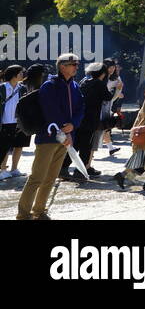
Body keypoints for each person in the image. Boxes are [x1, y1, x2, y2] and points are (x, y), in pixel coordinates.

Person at [16, 53, 83, 220]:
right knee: (37, 178)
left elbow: (81, 108)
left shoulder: (75, 86)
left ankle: (39, 211)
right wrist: (64, 129)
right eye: (73, 64)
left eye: (77, 64)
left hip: (66, 138)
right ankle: (23, 215)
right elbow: (50, 111)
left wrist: (73, 124)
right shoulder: (49, 85)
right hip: (48, 137)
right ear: (62, 66)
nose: (76, 67)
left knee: (51, 178)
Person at [63, 61, 109, 181]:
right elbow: (108, 97)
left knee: (76, 145)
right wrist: (118, 89)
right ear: (102, 73)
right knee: (86, 147)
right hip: (90, 120)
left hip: (79, 119)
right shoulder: (99, 84)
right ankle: (80, 172)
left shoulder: (83, 81)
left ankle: (63, 168)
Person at [8, 64, 48, 178]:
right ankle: (6, 168)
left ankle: (14, 168)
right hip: (15, 120)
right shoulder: (23, 86)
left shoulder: (29, 86)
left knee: (19, 145)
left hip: (23, 120)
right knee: (9, 146)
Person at [0, 65, 25, 180]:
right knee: (4, 147)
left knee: (19, 145)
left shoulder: (22, 88)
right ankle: (3, 169)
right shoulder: (2, 88)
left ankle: (14, 169)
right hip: (4, 122)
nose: (22, 75)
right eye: (20, 73)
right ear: (14, 74)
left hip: (18, 123)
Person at [101, 59, 124, 156]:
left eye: (113, 67)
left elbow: (115, 96)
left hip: (106, 105)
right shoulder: (100, 76)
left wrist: (118, 91)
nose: (112, 69)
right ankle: (109, 147)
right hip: (96, 105)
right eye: (110, 67)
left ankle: (110, 148)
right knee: (103, 127)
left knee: (105, 127)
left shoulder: (117, 79)